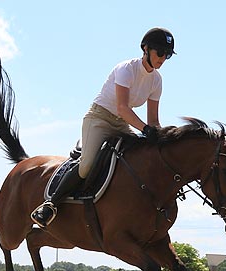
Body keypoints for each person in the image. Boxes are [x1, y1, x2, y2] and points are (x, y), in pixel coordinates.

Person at [31, 27, 176, 228]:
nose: (163, 58)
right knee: (87, 166)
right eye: (160, 52)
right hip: (98, 118)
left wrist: (161, 137)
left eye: (167, 55)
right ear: (146, 49)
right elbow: (122, 107)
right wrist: (144, 129)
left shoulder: (157, 81)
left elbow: (153, 121)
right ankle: (50, 205)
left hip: (122, 123)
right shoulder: (127, 69)